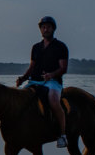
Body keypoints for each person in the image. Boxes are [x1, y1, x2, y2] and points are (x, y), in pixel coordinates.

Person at [15, 16, 69, 148]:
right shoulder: (36, 47)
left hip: (53, 82)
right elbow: (32, 66)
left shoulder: (60, 46)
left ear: (53, 29)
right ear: (40, 30)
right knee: (19, 100)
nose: (46, 29)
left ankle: (62, 135)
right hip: (35, 81)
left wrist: (51, 75)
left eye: (48, 27)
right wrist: (23, 78)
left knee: (53, 100)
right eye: (43, 27)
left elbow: (63, 68)